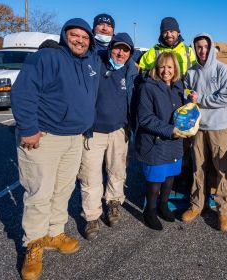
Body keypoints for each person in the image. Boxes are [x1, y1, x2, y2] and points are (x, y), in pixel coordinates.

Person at [11, 18, 100, 280]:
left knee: (62, 190)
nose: (80, 40)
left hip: (73, 138)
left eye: (84, 37)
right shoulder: (48, 58)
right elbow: (23, 93)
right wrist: (28, 129)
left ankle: (53, 232)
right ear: (65, 35)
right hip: (45, 137)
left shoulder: (89, 63)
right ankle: (34, 244)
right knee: (39, 193)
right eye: (75, 35)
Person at [77, 33, 139, 240]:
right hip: (93, 131)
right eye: (117, 48)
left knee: (117, 170)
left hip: (119, 130)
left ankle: (113, 203)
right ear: (110, 48)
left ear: (131, 53)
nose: (120, 53)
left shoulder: (131, 71)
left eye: (126, 50)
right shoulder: (96, 64)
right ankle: (92, 216)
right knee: (90, 175)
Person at [181, 33, 227, 232]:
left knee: (222, 170)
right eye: (198, 47)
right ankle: (196, 205)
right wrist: (189, 97)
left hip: (219, 127)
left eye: (205, 47)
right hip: (198, 128)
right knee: (198, 168)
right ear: (194, 49)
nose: (202, 51)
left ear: (211, 47)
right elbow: (186, 94)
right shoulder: (191, 72)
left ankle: (222, 210)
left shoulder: (222, 69)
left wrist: (200, 98)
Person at [135, 52, 187, 230]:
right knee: (155, 180)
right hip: (155, 142)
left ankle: (163, 205)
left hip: (174, 143)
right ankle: (150, 210)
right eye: (162, 66)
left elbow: (182, 112)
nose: (166, 71)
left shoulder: (178, 87)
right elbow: (145, 117)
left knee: (170, 178)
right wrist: (170, 130)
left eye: (170, 67)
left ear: (175, 69)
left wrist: (191, 102)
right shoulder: (147, 87)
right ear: (156, 68)